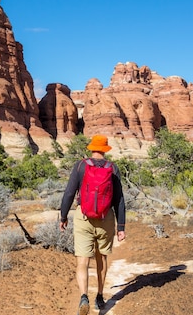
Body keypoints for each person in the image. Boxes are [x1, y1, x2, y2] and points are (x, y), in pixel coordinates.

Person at [59, 134, 126, 315]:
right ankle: (99, 296)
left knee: (83, 260)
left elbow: (69, 193)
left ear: (92, 148)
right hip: (106, 218)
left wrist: (63, 216)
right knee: (101, 258)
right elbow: (119, 199)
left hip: (83, 217)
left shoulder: (81, 165)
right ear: (105, 149)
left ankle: (83, 296)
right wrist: (121, 227)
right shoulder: (112, 168)